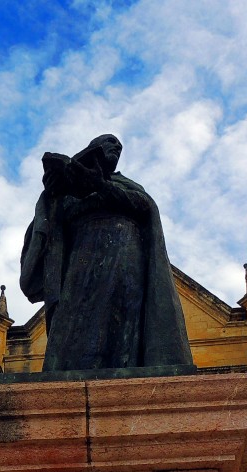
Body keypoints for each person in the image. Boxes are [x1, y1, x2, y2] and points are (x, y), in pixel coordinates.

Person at [20, 134, 193, 371]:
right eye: (111, 143)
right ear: (95, 149)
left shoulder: (126, 184)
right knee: (75, 323)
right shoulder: (70, 191)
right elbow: (50, 228)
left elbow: (144, 206)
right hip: (81, 260)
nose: (117, 148)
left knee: (124, 321)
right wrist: (52, 195)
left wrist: (101, 186)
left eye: (120, 147)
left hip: (125, 256)